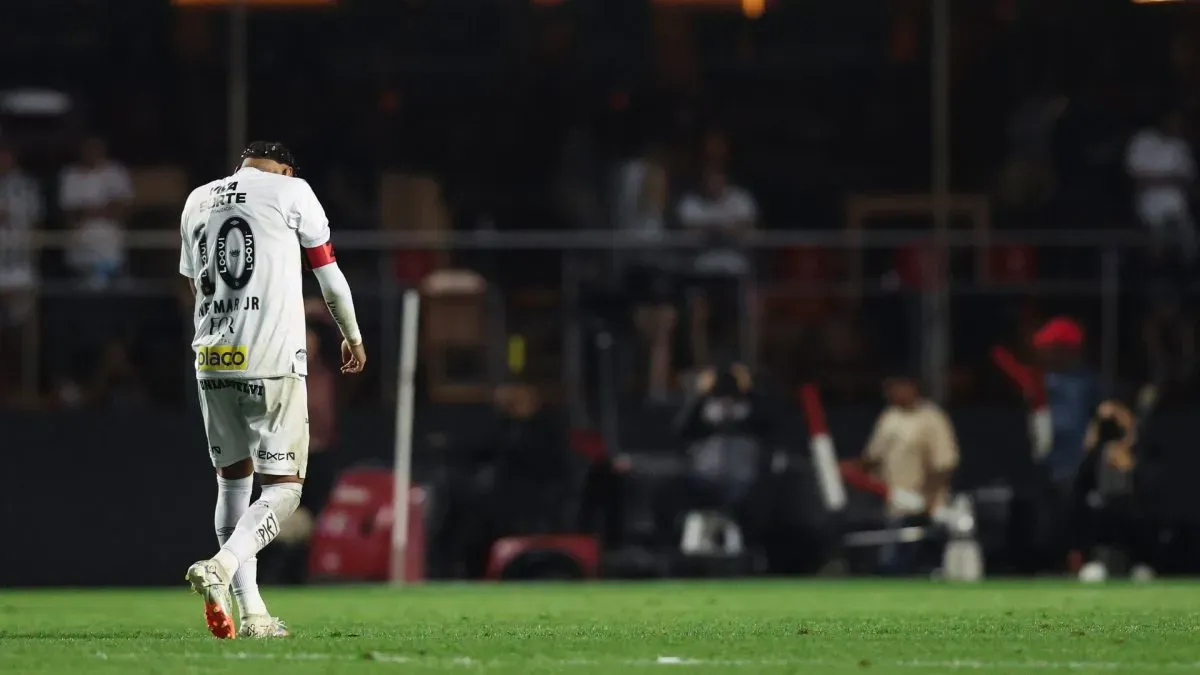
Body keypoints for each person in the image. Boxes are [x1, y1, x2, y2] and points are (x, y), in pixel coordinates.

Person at [178, 142, 366, 639]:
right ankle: (222, 565)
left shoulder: (197, 199)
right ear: (285, 168)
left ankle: (255, 615)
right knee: (284, 490)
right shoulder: (293, 189)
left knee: (233, 484)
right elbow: (329, 276)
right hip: (271, 359)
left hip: (212, 359)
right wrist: (352, 334)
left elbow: (194, 286)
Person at [852, 374, 959, 574]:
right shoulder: (889, 416)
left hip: (924, 505)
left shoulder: (932, 418)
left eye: (899, 387)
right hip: (894, 505)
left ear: (913, 387)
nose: (894, 392)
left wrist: (930, 499)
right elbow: (873, 457)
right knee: (892, 566)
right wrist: (848, 469)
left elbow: (944, 464)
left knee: (921, 565)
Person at [58, 136, 133, 287]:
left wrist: (88, 209)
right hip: (81, 244)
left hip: (111, 243)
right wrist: (104, 208)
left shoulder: (116, 172)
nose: (92, 153)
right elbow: (69, 212)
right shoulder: (70, 175)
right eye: (88, 149)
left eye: (96, 149)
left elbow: (123, 207)